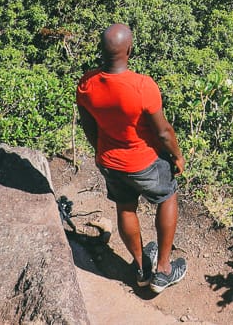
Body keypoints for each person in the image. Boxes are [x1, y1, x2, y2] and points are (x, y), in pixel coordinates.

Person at [75, 23, 188, 292]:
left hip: (110, 162)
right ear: (129, 49)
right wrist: (177, 156)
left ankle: (140, 269)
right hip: (144, 161)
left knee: (126, 207)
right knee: (167, 196)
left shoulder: (86, 83)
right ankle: (163, 270)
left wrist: (99, 150)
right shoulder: (142, 85)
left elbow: (88, 126)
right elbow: (162, 132)